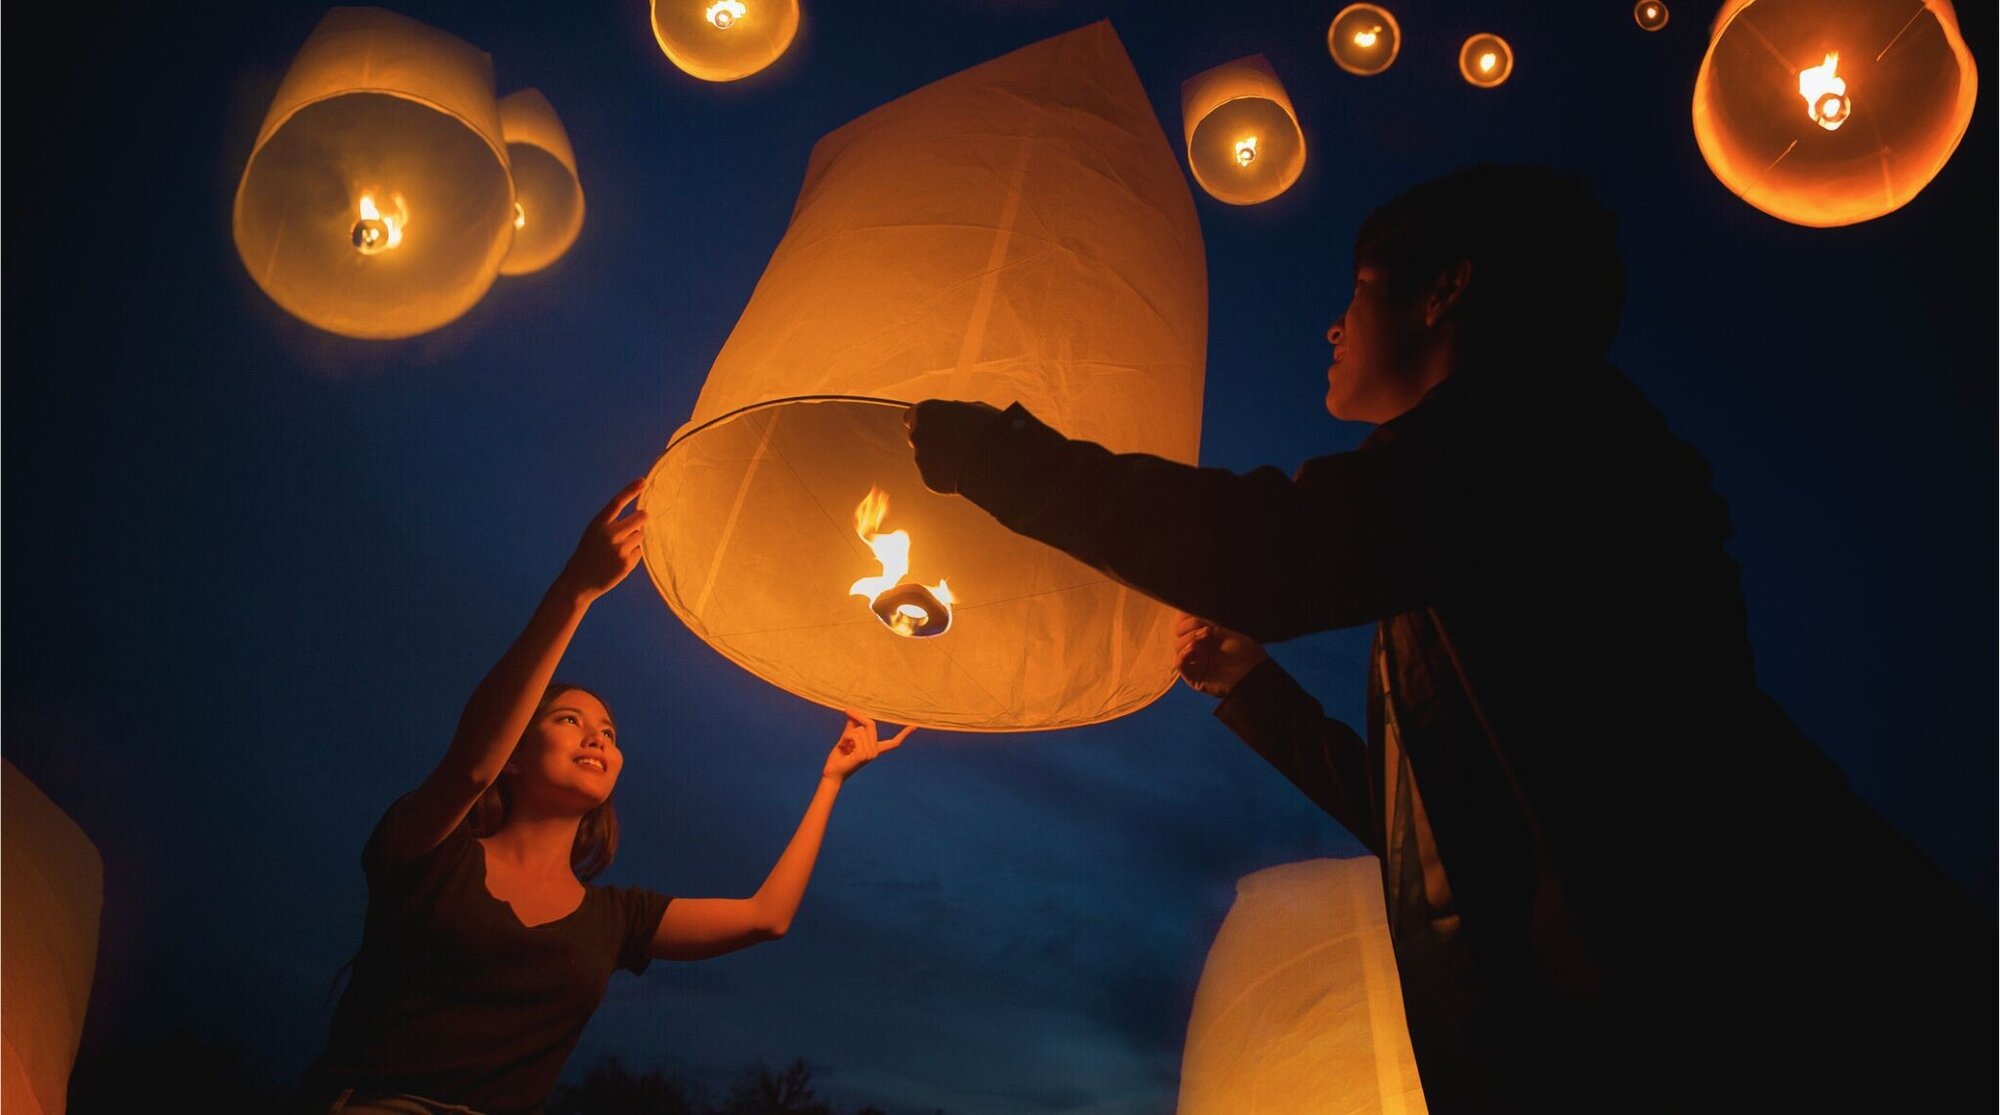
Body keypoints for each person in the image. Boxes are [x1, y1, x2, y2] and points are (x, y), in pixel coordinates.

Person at [905, 166, 1987, 1110]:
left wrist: (993, 455)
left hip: (1754, 1010)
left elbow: (1267, 545)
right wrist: (1253, 689)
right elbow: (1430, 837)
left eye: (1356, 289)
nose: (1332, 326)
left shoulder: (1537, 433)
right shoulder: (1466, 510)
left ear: (1446, 287)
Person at [299, 480, 910, 1115]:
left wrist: (831, 781)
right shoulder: (429, 855)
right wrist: (576, 591)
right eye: (567, 720)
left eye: (609, 732)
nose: (596, 735)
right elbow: (471, 766)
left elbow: (766, 917)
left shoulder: (616, 920)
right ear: (515, 755)